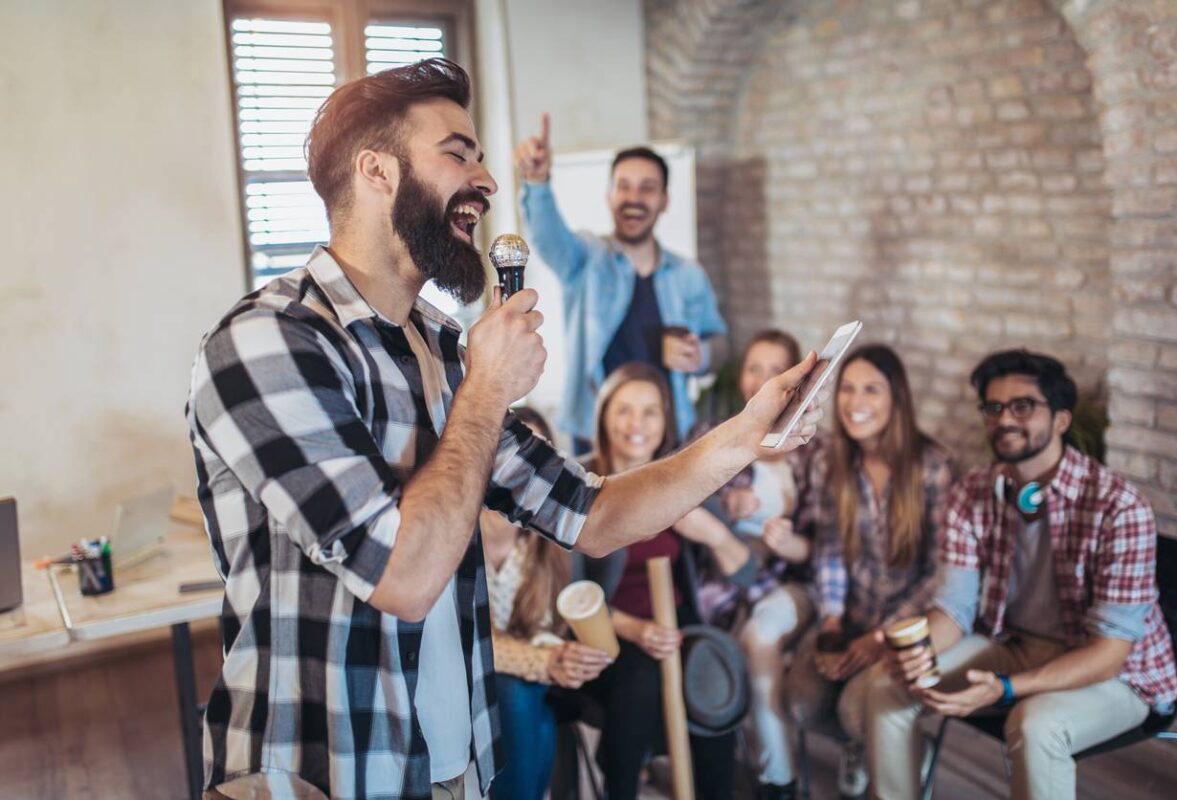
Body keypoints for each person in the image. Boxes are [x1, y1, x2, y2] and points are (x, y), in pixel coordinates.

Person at [186, 58, 823, 800]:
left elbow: (595, 515)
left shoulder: (441, 350)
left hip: (454, 763)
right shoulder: (268, 343)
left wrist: (744, 436)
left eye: (481, 159)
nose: (486, 182)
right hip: (323, 771)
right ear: (376, 170)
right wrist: (488, 387)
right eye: (458, 154)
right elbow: (403, 577)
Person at [867, 349, 1177, 800]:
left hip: (1118, 674)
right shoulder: (972, 493)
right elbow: (954, 609)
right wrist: (919, 654)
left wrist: (1005, 689)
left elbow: (1109, 654)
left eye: (1023, 406)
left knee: (1035, 725)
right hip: (1015, 645)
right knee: (887, 684)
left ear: (1061, 420)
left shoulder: (1119, 507)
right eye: (993, 407)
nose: (1005, 419)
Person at [569, 363, 755, 800]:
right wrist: (634, 628)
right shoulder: (576, 483)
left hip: (674, 623)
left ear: (665, 421)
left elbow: (747, 572)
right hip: (605, 632)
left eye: (650, 412)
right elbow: (566, 593)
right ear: (603, 416)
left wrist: (712, 533)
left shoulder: (680, 481)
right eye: (624, 410)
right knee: (641, 682)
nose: (637, 424)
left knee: (709, 679)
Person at [788, 345, 956, 799]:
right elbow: (829, 551)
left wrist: (880, 638)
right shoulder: (831, 462)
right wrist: (831, 623)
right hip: (852, 614)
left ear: (896, 399)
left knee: (855, 709)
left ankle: (899, 748)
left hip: (907, 626)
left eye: (871, 390)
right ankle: (864, 748)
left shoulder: (934, 468)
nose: (855, 402)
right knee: (801, 702)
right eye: (847, 389)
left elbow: (940, 574)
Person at [514, 114, 729, 451]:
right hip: (596, 436)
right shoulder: (586, 260)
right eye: (624, 186)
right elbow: (547, 237)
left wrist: (700, 355)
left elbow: (720, 342)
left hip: (668, 436)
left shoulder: (688, 274)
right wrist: (537, 182)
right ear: (609, 195)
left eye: (647, 188)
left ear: (664, 200)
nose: (634, 197)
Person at [687, 330, 825, 800]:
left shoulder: (812, 450)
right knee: (711, 645)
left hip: (789, 583)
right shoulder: (714, 433)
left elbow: (822, 551)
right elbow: (678, 500)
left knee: (759, 635)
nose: (762, 381)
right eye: (754, 368)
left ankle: (777, 779)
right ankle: (715, 763)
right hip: (724, 579)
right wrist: (726, 505)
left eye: (775, 370)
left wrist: (788, 544)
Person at [481, 407, 611, 800]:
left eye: (535, 457)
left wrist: (564, 658)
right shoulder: (457, 535)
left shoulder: (553, 542)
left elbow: (551, 628)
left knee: (524, 702)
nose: (521, 471)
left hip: (534, 677)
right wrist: (543, 661)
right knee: (517, 699)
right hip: (468, 674)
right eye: (509, 454)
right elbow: (463, 637)